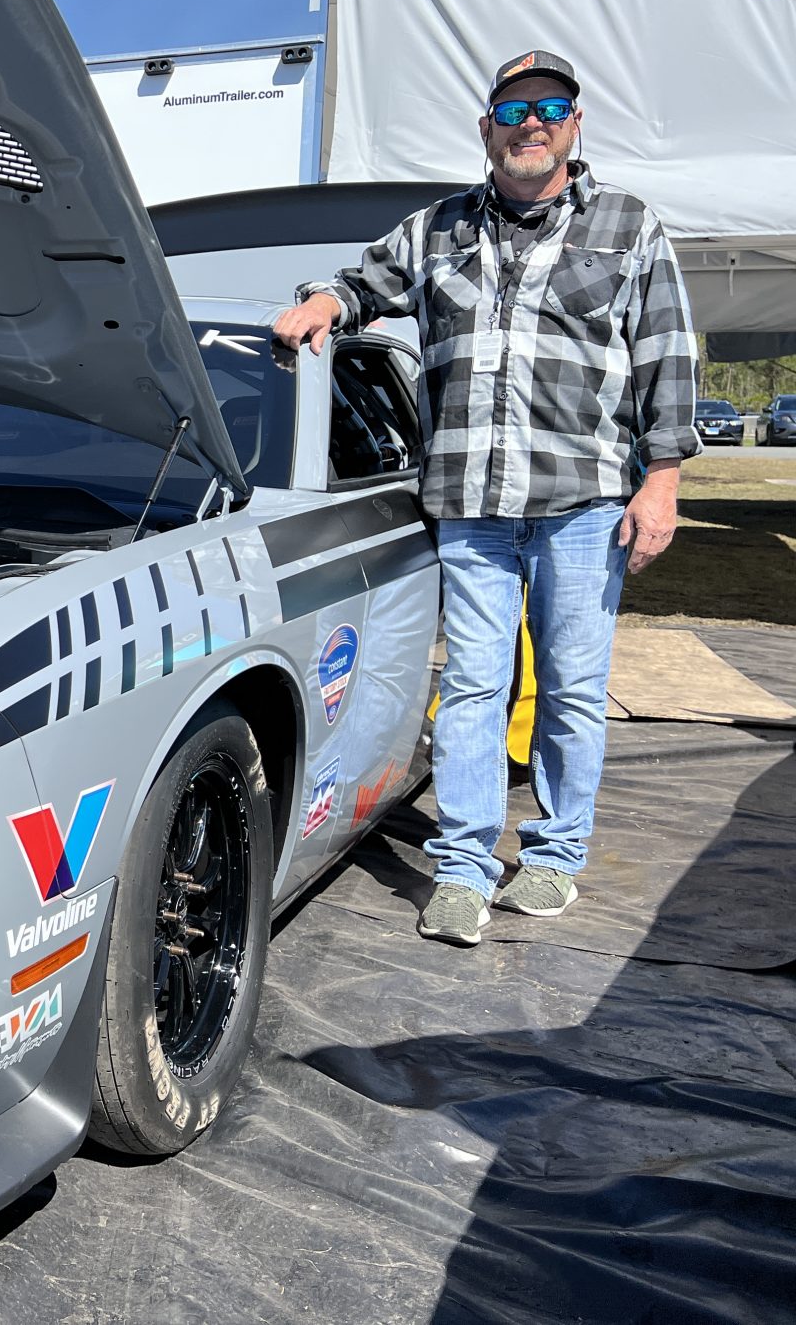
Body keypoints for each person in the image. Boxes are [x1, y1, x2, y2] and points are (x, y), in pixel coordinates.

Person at [273, 50, 700, 947]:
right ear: (487, 130)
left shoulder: (627, 225)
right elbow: (362, 285)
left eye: (550, 108)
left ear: (574, 126)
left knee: (574, 689)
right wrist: (323, 302)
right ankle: (464, 867)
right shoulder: (435, 229)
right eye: (513, 111)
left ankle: (552, 857)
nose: (530, 124)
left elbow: (669, 356)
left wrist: (662, 481)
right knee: (473, 684)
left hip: (585, 505)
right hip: (469, 505)